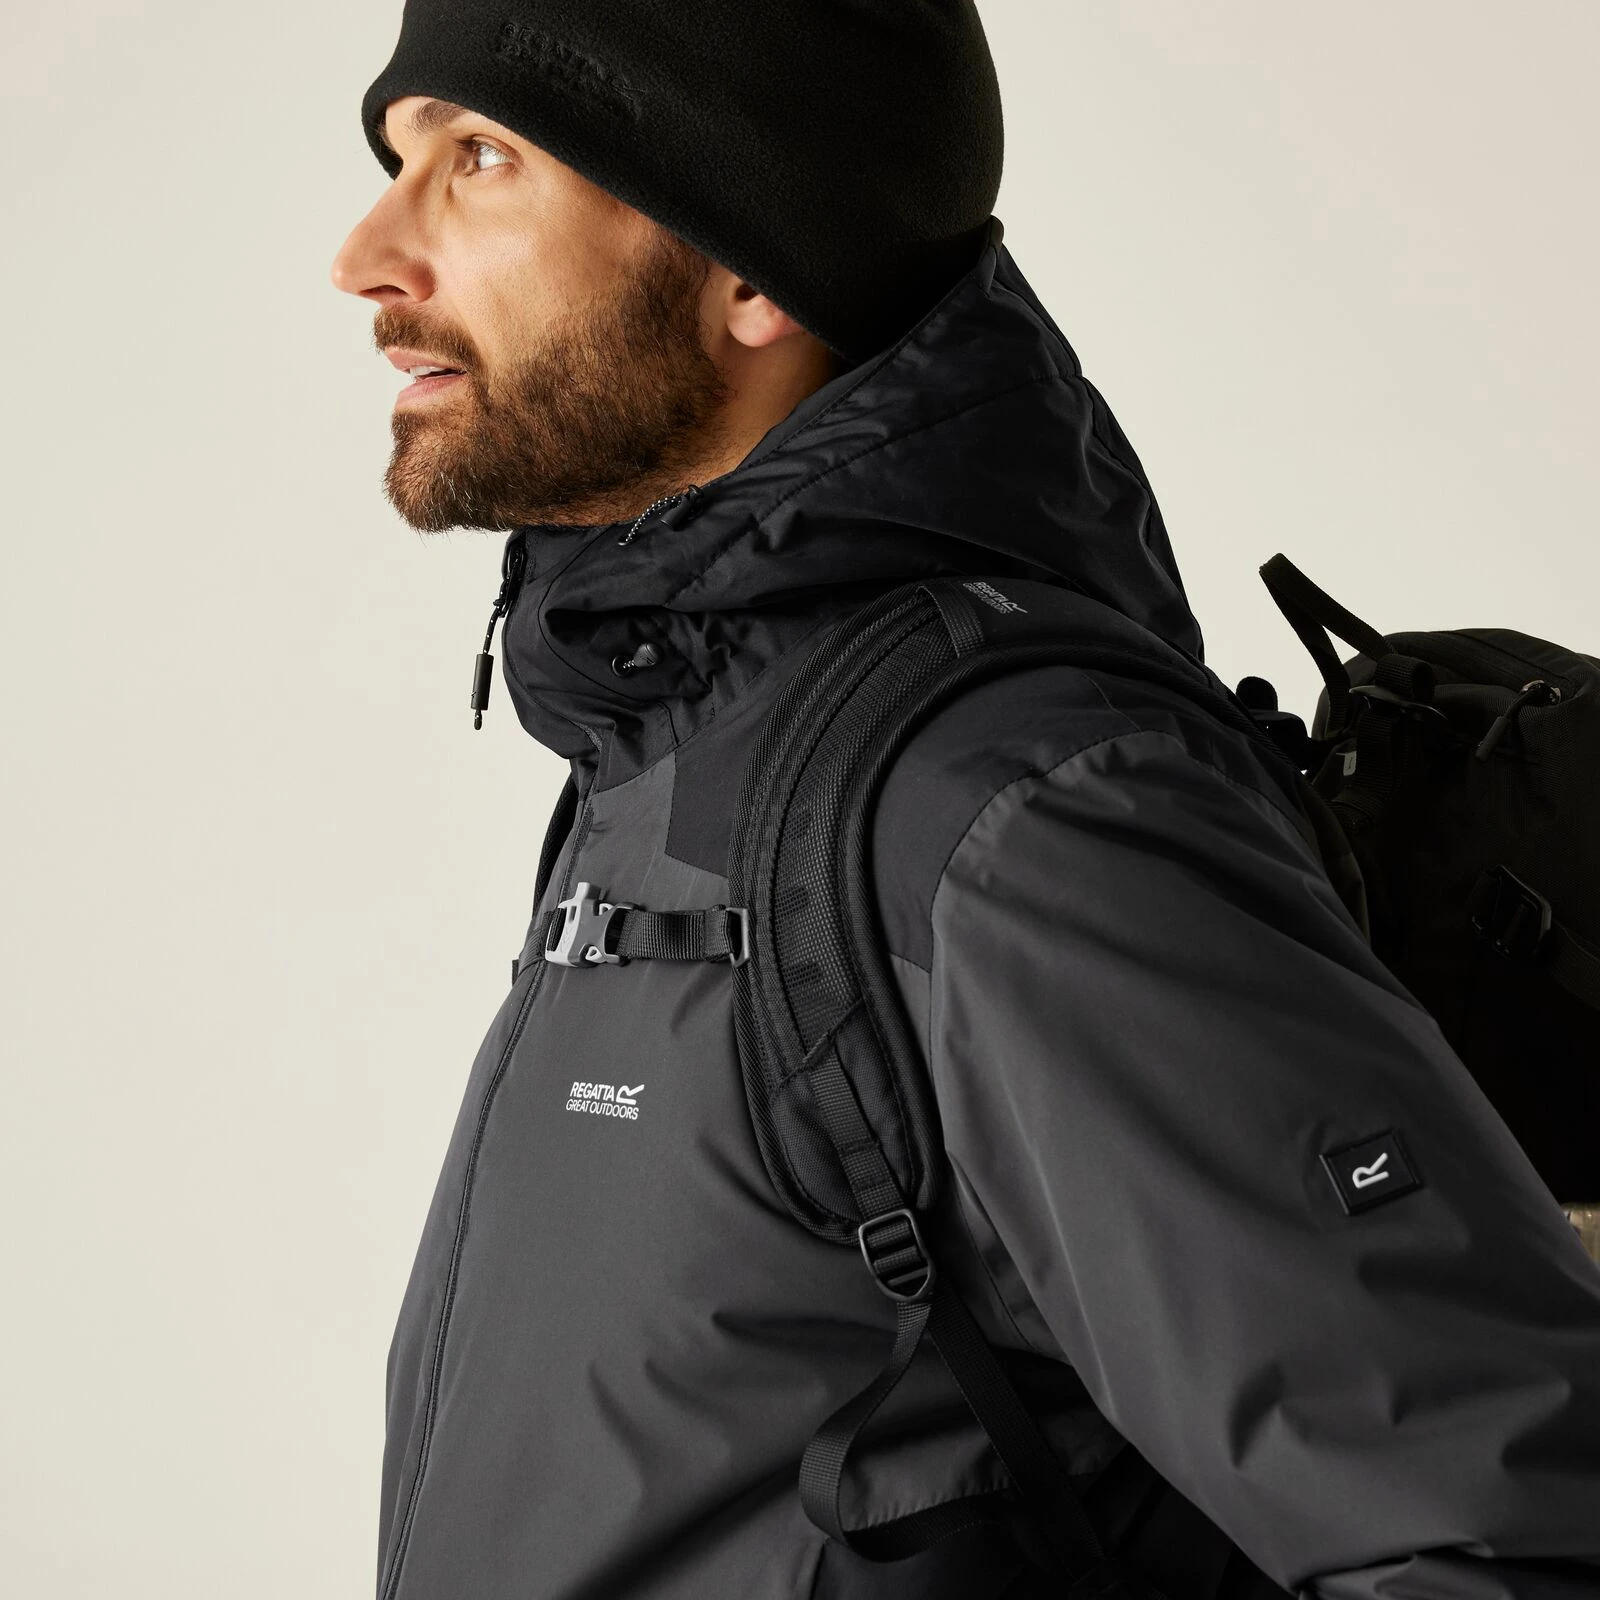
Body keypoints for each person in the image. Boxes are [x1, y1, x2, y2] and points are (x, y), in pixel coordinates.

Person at [331, 5, 1600, 1597]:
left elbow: (1509, 1535)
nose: (367, 256)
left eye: (479, 157)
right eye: (400, 157)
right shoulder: (674, 743)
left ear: (752, 270)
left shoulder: (1006, 812)